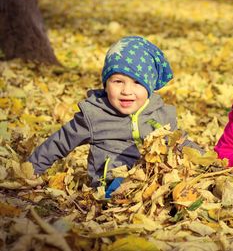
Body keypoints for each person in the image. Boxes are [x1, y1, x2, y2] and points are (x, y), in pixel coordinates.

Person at [28, 36, 202, 198]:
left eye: (137, 83)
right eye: (118, 81)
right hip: (111, 183)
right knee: (124, 188)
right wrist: (32, 170)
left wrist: (205, 158)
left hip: (153, 180)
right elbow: (60, 141)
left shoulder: (160, 113)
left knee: (179, 185)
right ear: (106, 84)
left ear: (149, 87)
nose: (126, 91)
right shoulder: (95, 114)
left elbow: (179, 141)